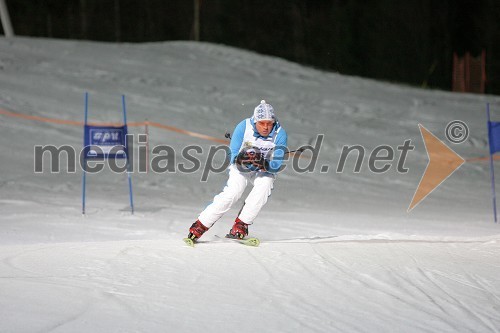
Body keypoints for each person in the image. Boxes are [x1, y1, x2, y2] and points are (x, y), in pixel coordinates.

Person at [186, 100, 288, 241]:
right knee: (234, 192)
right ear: (255, 121)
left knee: (266, 184)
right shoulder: (243, 127)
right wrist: (240, 158)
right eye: (262, 123)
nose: (265, 127)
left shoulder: (280, 133)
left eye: (269, 123)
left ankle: (241, 225)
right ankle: (200, 225)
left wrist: (264, 164)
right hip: (241, 168)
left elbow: (277, 164)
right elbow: (231, 154)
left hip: (262, 169)